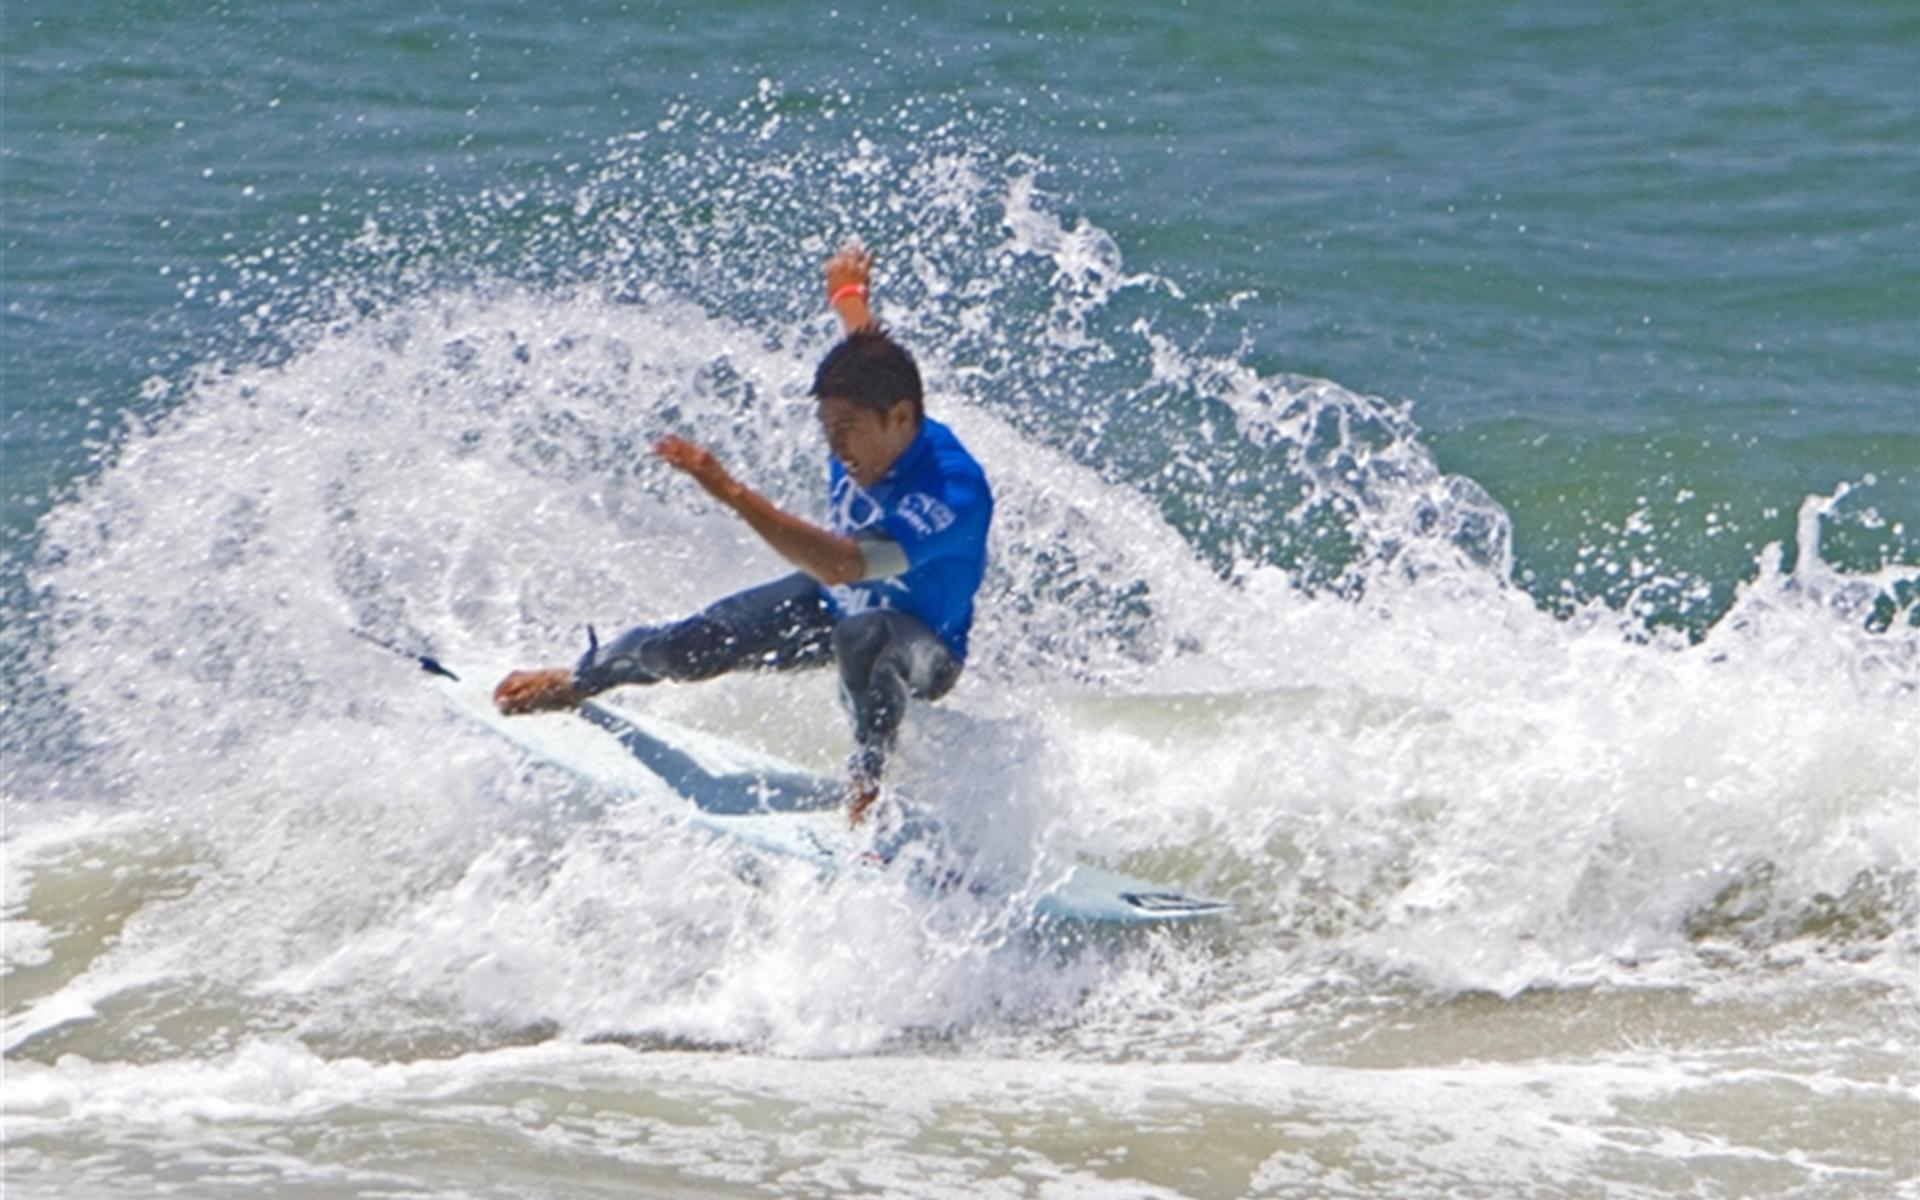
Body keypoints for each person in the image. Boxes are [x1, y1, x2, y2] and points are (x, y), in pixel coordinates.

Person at [492, 242, 993, 826]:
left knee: (866, 636)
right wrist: (849, 298)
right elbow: (869, 350)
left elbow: (843, 564)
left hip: (925, 648)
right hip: (835, 604)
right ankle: (582, 676)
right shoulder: (868, 407)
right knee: (688, 646)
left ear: (901, 418)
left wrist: (728, 489)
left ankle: (866, 779)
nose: (836, 447)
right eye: (827, 430)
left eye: (848, 431)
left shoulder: (953, 491)